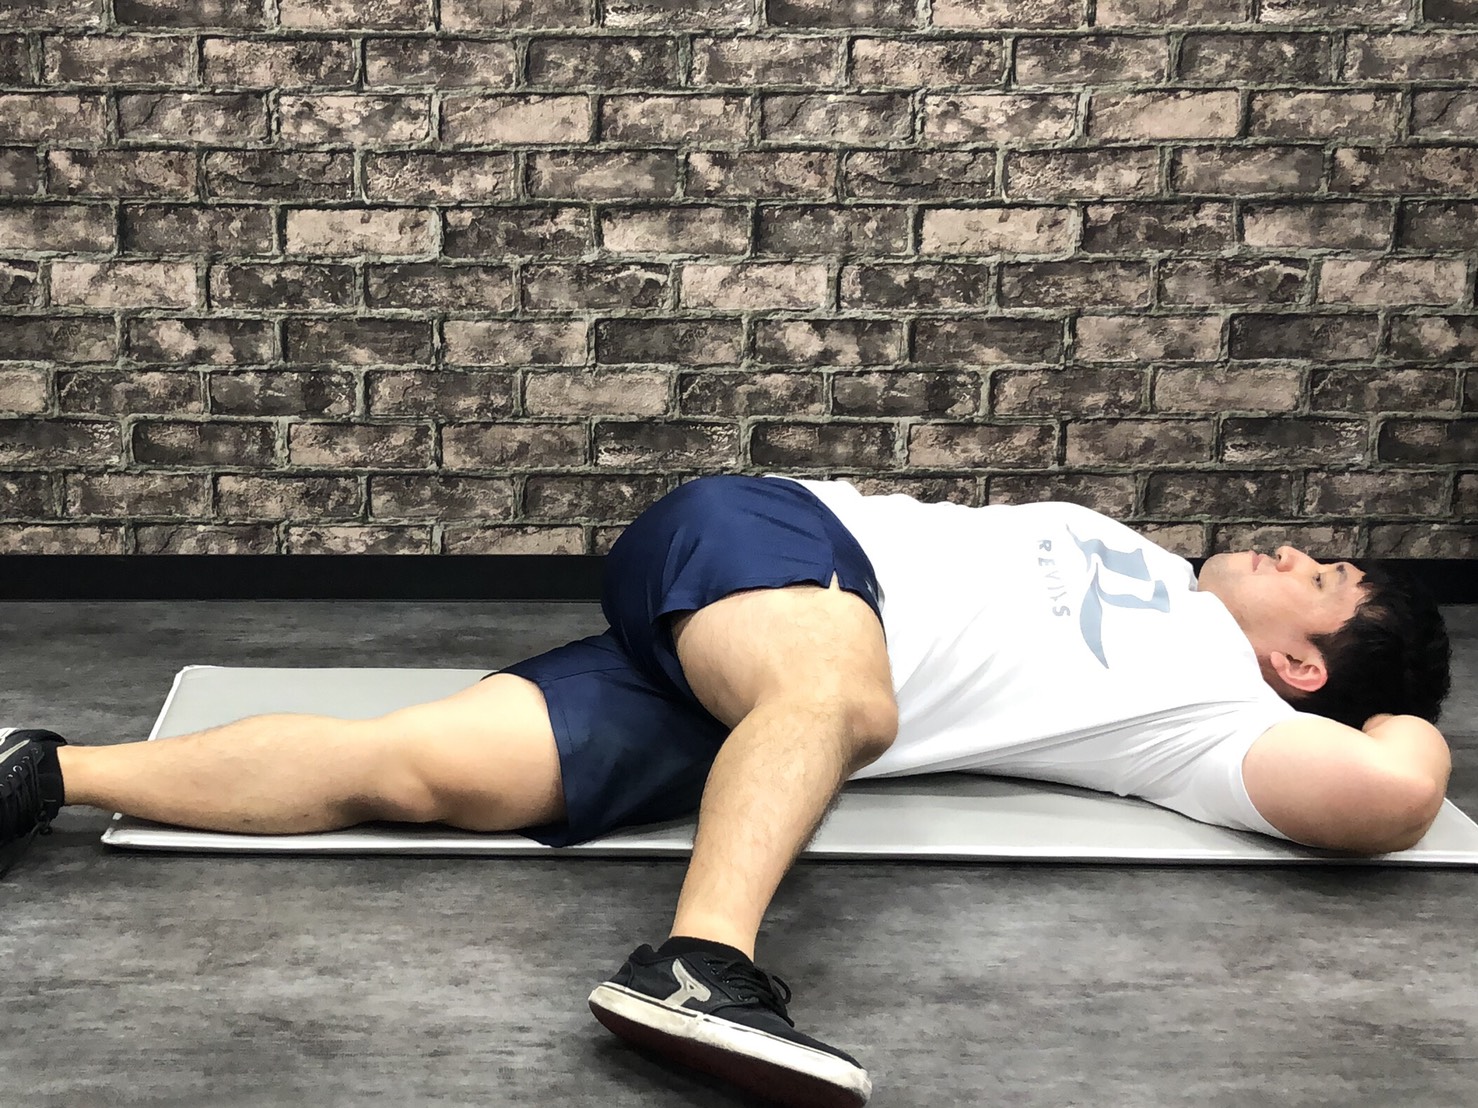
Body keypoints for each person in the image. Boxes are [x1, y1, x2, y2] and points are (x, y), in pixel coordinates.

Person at [0, 473, 1454, 1108]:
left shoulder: (1206, 720)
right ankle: (699, 967)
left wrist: (1409, 719)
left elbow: (1389, 799)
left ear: (1304, 668)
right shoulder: (1136, 556)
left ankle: (42, 771)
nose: (1289, 550)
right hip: (783, 554)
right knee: (847, 699)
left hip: (746, 689)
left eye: (1321, 578)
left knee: (422, 769)